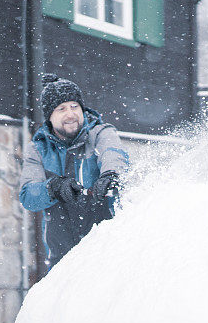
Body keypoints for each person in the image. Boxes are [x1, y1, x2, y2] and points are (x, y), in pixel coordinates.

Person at [19, 74, 129, 270]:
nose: (70, 114)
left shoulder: (100, 134)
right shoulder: (38, 150)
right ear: (49, 117)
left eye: (74, 107)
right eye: (61, 109)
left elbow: (113, 153)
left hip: (109, 252)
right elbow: (28, 196)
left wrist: (110, 175)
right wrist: (53, 188)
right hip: (62, 259)